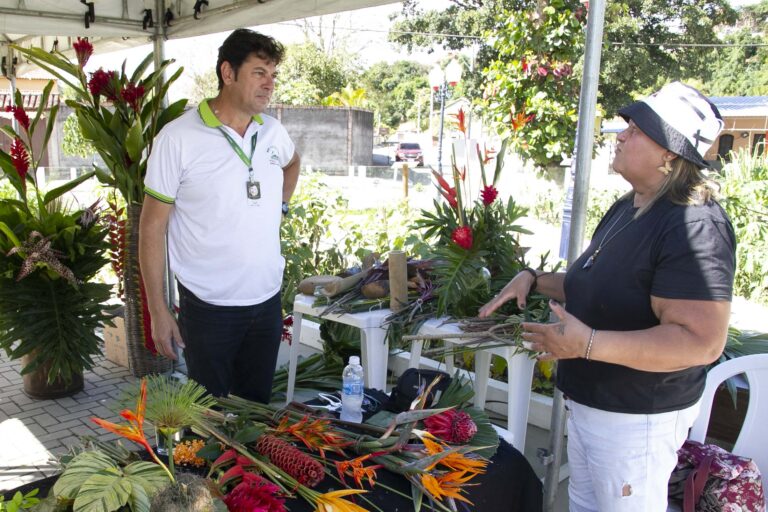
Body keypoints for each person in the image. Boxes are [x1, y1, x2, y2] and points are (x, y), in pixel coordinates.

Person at [479, 82, 736, 511]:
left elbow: (701, 341)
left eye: (636, 129)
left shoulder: (694, 225)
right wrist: (533, 278)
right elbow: (598, 283)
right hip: (591, 406)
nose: (621, 135)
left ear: (669, 152)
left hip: (636, 419)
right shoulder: (629, 205)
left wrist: (589, 343)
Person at [139, 29, 300, 403]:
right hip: (208, 307)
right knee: (208, 420)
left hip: (266, 301)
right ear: (228, 73)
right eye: (259, 72)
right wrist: (158, 310)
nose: (269, 84)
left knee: (254, 411)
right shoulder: (177, 138)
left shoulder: (272, 131)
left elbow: (293, 164)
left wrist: (281, 206)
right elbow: (151, 227)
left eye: (273, 75)